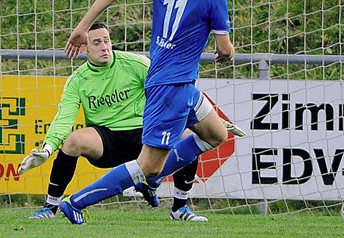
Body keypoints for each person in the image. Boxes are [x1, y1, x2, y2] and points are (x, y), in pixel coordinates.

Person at [59, 0, 238, 225]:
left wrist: (83, 27)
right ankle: (77, 202)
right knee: (148, 166)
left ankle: (168, 195)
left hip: (175, 82)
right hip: (172, 87)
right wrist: (227, 54)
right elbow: (224, 48)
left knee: (216, 134)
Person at [18, 22, 208, 222]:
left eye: (106, 41)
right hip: (107, 140)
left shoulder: (136, 64)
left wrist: (199, 120)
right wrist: (48, 148)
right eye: (97, 43)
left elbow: (172, 90)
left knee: (188, 137)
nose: (104, 47)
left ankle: (179, 208)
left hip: (145, 134)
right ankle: (50, 207)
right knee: (73, 141)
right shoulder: (78, 80)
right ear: (84, 48)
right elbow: (64, 117)